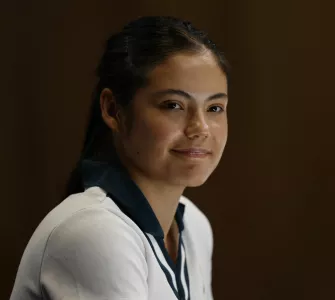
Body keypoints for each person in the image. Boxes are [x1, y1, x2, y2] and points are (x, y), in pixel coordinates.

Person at [10, 16, 229, 300]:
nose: (200, 128)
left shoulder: (194, 228)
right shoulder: (96, 232)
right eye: (173, 105)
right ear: (113, 110)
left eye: (214, 107)